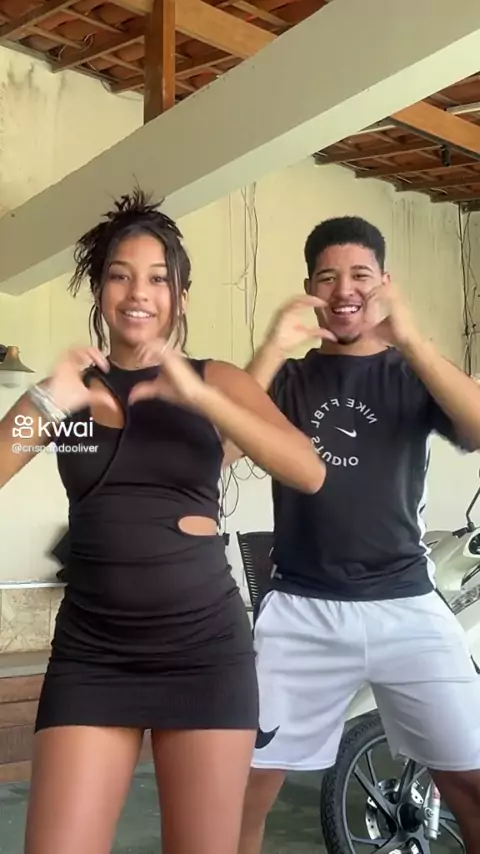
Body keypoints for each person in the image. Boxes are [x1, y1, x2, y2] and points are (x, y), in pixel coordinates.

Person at [0, 190, 327, 854]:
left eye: (157, 278)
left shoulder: (218, 379)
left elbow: (307, 470)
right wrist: (48, 397)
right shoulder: (68, 394)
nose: (138, 293)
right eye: (120, 275)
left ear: (179, 295)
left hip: (203, 651)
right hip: (93, 654)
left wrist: (200, 394)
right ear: (99, 290)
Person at [236, 216, 480, 854]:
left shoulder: (412, 373)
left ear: (384, 283)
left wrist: (413, 339)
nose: (344, 289)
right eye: (327, 277)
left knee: (474, 786)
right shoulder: (288, 381)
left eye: (360, 276)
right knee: (238, 796)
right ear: (309, 289)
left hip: (408, 605)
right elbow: (220, 448)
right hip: (302, 611)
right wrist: (272, 347)